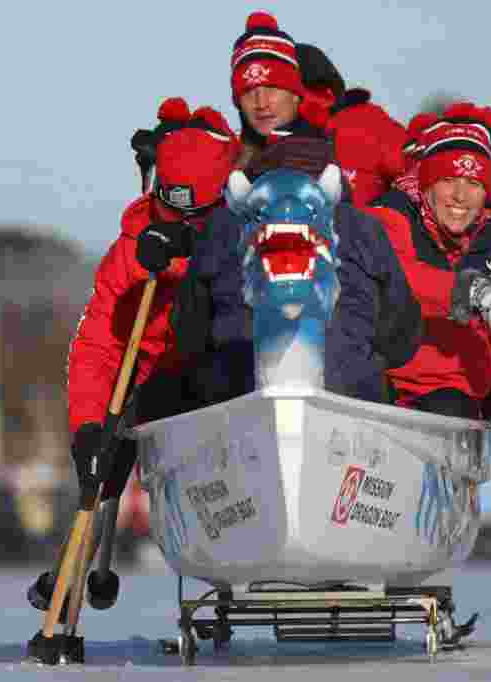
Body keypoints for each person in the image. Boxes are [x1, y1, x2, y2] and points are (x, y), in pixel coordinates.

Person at [368, 102, 491, 484]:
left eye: (474, 184)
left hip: (454, 410)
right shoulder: (388, 220)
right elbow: (400, 276)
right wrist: (467, 290)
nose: (460, 196)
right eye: (448, 181)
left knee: (452, 405)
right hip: (385, 395)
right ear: (426, 183)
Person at [66, 96, 241, 498]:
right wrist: (88, 427)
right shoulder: (130, 253)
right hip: (158, 397)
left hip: (230, 388)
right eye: (170, 213)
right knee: (124, 426)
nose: (181, 226)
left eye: (194, 218)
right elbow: (97, 345)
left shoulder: (247, 233)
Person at [171, 131, 423, 406]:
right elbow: (402, 338)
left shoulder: (222, 225)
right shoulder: (365, 227)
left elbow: (188, 334)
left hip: (233, 396)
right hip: (354, 396)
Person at [230, 12, 405, 206]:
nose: (262, 102)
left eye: (274, 89)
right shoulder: (244, 150)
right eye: (250, 91)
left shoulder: (364, 126)